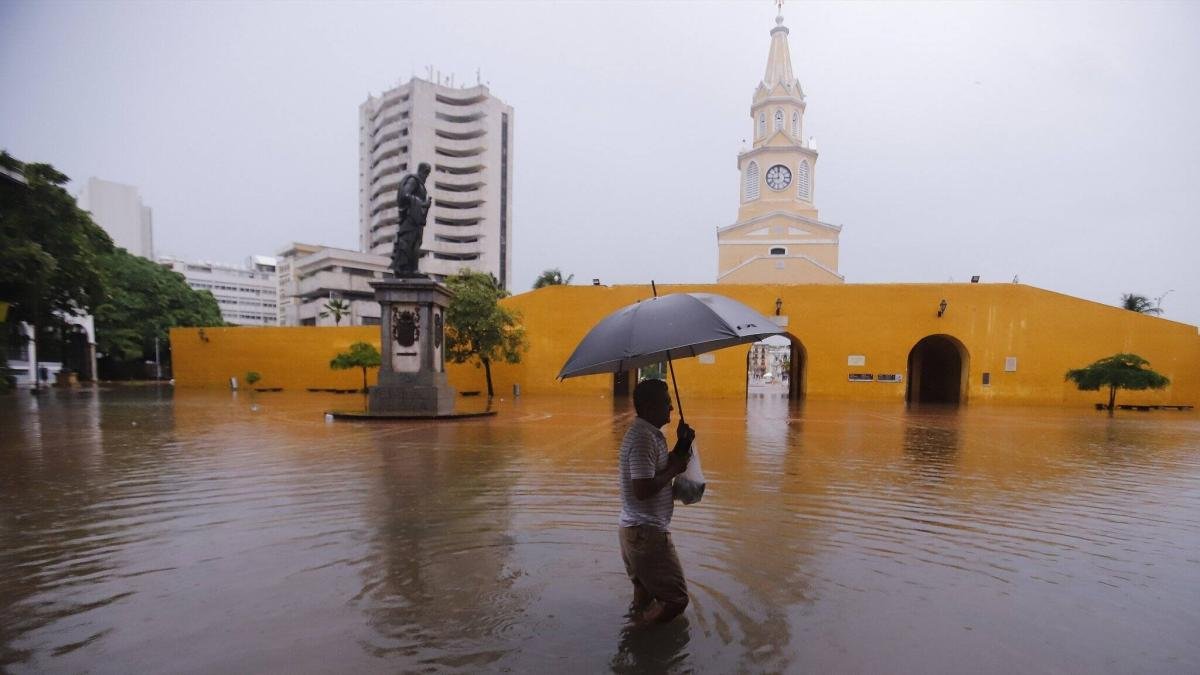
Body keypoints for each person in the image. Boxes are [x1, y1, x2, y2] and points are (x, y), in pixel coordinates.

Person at [618, 378, 696, 625]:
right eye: (666, 402)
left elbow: (660, 468)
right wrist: (673, 471)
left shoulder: (650, 435)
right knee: (676, 600)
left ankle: (635, 639)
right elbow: (641, 489)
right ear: (650, 407)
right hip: (646, 534)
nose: (672, 408)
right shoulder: (642, 439)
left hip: (636, 532)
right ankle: (640, 638)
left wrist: (683, 444)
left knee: (644, 596)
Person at [389, 162, 433, 276]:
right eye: (426, 173)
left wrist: (425, 205)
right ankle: (405, 269)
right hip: (410, 219)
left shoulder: (421, 185)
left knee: (416, 243)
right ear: (422, 171)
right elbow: (404, 194)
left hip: (417, 220)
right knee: (408, 243)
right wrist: (422, 203)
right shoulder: (413, 181)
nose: (426, 177)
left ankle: (413, 269)